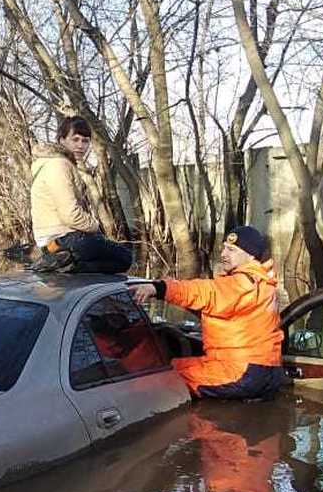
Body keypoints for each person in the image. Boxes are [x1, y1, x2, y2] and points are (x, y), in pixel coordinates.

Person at [128, 225, 285, 400]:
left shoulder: (241, 284)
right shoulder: (264, 283)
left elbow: (202, 292)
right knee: (174, 366)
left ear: (251, 255)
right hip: (268, 369)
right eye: (224, 247)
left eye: (231, 250)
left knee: (159, 378)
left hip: (239, 370)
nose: (224, 254)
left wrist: (159, 288)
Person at [28, 115, 132, 273]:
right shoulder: (59, 165)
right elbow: (70, 215)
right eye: (75, 139)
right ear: (62, 140)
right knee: (125, 258)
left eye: (85, 141)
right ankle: (69, 266)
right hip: (62, 239)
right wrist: (95, 226)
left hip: (54, 240)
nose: (80, 145)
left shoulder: (50, 164)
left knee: (108, 253)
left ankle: (67, 265)